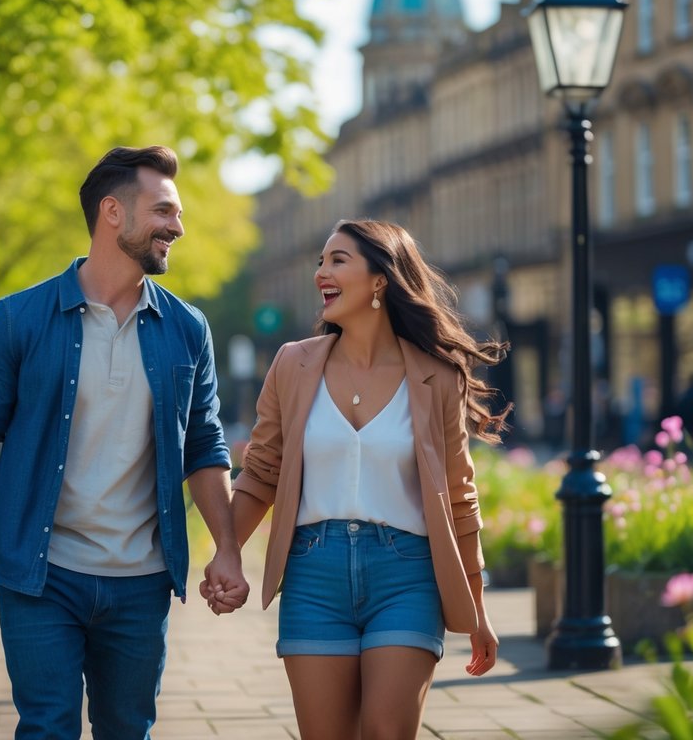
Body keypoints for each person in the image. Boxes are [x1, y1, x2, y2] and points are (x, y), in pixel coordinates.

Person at [0, 145, 247, 740]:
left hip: (142, 580)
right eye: (164, 211)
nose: (177, 228)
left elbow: (205, 445)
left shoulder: (187, 329)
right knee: (48, 728)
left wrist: (227, 548)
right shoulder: (18, 320)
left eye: (177, 215)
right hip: (41, 573)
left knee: (127, 730)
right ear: (113, 212)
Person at [206, 219, 507, 740]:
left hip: (407, 574)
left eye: (337, 260)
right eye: (320, 262)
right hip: (313, 575)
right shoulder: (292, 365)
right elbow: (261, 475)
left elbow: (460, 498)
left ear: (380, 281)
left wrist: (477, 609)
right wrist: (226, 552)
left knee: (388, 732)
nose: (321, 272)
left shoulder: (438, 375)